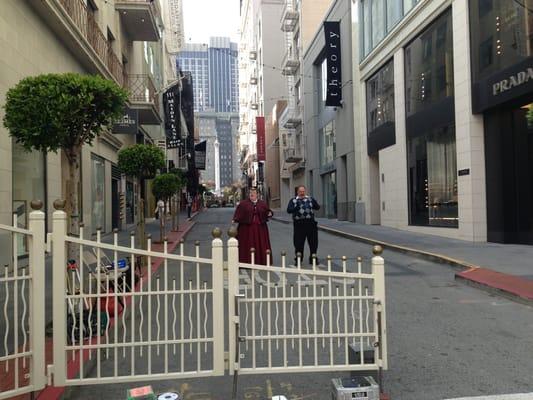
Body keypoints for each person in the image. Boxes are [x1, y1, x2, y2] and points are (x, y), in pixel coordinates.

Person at [232, 188, 273, 265]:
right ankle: (245, 261)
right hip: (246, 228)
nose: (252, 194)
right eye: (250, 192)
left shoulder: (262, 203)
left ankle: (261, 261)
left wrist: (269, 213)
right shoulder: (243, 203)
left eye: (254, 192)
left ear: (257, 194)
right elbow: (239, 212)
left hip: (260, 228)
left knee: (261, 243)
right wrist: (235, 219)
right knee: (246, 243)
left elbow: (267, 211)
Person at [287, 185, 320, 265]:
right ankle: (298, 259)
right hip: (299, 224)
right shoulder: (293, 200)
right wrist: (296, 208)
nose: (302, 193)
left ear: (305, 191)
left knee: (313, 243)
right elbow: (289, 210)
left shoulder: (310, 199)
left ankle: (313, 258)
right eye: (300, 191)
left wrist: (314, 202)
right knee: (298, 243)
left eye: (303, 191)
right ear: (297, 192)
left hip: (310, 223)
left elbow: (317, 207)